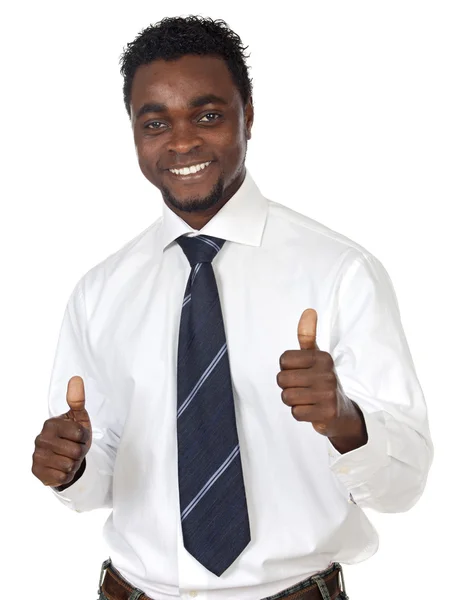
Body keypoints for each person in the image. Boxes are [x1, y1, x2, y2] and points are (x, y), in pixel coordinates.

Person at [31, 15, 433, 600]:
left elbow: (405, 486)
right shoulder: (100, 292)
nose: (183, 140)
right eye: (155, 122)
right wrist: (71, 468)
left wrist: (345, 420)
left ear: (249, 114)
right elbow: (103, 478)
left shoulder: (340, 272)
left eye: (208, 115)